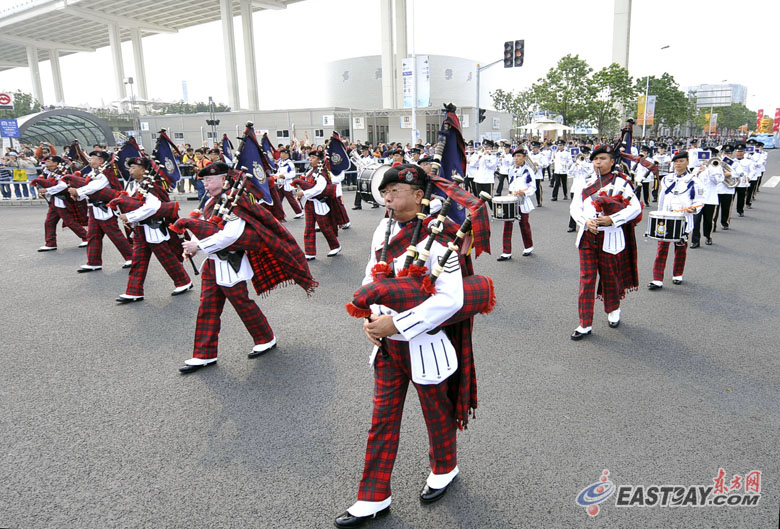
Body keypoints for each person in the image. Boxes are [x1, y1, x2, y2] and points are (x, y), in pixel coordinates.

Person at [335, 164, 477, 528]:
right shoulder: (382, 229)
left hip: (423, 344)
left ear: (418, 195)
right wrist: (370, 317)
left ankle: (444, 469)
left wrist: (397, 322)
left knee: (436, 415)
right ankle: (373, 497)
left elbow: (450, 299)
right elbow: (372, 272)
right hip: (387, 347)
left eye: (396, 191)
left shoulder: (440, 234)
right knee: (381, 421)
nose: (388, 198)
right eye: (385, 192)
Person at [178, 163, 317, 373]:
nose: (205, 183)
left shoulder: (235, 202)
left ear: (224, 180)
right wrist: (194, 248)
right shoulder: (211, 202)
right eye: (204, 180)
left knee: (242, 303)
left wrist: (199, 245)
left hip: (230, 263)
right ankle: (204, 354)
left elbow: (231, 235)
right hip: (212, 263)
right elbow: (208, 228)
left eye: (209, 180)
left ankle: (266, 338)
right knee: (207, 307)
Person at [569, 145, 641, 340]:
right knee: (587, 280)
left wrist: (613, 219)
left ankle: (613, 309)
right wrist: (585, 222)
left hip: (610, 237)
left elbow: (635, 208)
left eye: (602, 158)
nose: (598, 162)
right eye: (595, 159)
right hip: (587, 237)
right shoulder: (584, 181)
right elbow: (575, 207)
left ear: (612, 161)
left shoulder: (623, 182)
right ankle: (585, 323)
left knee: (610, 277)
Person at [116, 157, 192, 303]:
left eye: (133, 167)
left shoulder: (151, 186)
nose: (130, 170)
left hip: (153, 228)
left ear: (144, 170)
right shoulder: (137, 185)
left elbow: (152, 208)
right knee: (138, 260)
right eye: (130, 168)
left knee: (166, 258)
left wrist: (130, 216)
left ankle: (183, 282)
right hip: (140, 229)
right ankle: (134, 291)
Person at [68, 151, 133, 272]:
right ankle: (94, 262)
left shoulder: (104, 174)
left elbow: (94, 187)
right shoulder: (93, 173)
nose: (90, 160)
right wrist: (79, 195)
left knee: (115, 235)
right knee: (93, 235)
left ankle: (131, 257)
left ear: (101, 161)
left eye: (93, 158)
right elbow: (90, 190)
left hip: (104, 209)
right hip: (94, 209)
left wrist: (78, 192)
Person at [648, 151, 703, 289]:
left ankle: (677, 274)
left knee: (680, 248)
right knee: (662, 248)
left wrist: (694, 209)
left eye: (681, 161)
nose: (678, 164)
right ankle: (657, 279)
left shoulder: (694, 180)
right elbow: (662, 198)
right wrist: (659, 215)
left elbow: (700, 201)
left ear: (687, 162)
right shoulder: (666, 179)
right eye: (676, 162)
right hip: (666, 218)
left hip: (682, 219)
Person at [33, 155, 89, 251]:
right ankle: (50, 243)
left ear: (56, 163)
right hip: (54, 200)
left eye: (49, 161)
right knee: (49, 222)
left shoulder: (61, 172)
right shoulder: (48, 172)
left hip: (62, 200)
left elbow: (63, 186)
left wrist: (47, 190)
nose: (46, 162)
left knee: (69, 221)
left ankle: (87, 237)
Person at [295, 151, 341, 260]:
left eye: (313, 157)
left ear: (319, 160)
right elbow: (306, 183)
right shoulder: (310, 171)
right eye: (310, 157)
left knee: (325, 227)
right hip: (309, 203)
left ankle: (336, 246)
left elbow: (319, 188)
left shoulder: (322, 172)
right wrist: (301, 193)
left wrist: (304, 193)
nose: (310, 159)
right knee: (309, 228)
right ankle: (310, 252)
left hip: (319, 202)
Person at [497, 148, 536, 261]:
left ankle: (528, 246)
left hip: (522, 199)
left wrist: (525, 192)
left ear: (524, 158)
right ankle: (506, 252)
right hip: (511, 199)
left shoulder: (528, 170)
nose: (516, 158)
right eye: (515, 156)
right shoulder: (511, 169)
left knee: (524, 224)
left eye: (519, 156)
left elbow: (533, 187)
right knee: (507, 224)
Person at [690, 147, 721, 248]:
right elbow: (690, 180)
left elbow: (717, 181)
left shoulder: (717, 167)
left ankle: (708, 236)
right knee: (696, 221)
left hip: (710, 199)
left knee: (708, 221)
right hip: (698, 199)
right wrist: (697, 172)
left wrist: (709, 170)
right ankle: (695, 240)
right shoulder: (697, 167)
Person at [567, 146, 593, 232]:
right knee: (574, 207)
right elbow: (570, 173)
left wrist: (582, 164)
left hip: (586, 189)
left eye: (585, 154)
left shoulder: (590, 163)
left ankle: (586, 224)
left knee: (586, 207)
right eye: (582, 154)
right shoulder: (576, 164)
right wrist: (575, 165)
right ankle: (572, 226)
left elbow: (590, 172)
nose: (583, 155)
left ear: (588, 154)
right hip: (575, 188)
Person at [275, 148, 304, 219]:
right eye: (280, 153)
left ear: (286, 154)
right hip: (280, 184)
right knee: (278, 200)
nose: (281, 155)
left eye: (282, 153)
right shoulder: (280, 162)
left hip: (287, 184)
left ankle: (299, 212)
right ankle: (278, 214)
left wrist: (284, 176)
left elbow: (293, 174)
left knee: (291, 199)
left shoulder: (289, 163)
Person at [731, 143, 754, 218]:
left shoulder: (748, 161)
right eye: (738, 151)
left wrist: (749, 177)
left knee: (741, 198)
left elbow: (752, 171)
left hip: (742, 182)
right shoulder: (732, 161)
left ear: (744, 152)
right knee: (731, 199)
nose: (739, 153)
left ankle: (740, 210)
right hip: (732, 182)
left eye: (741, 151)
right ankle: (729, 211)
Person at [528, 141, 549, 207]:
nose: (534, 149)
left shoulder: (542, 155)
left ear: (538, 148)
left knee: (537, 188)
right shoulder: (529, 154)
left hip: (537, 174)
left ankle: (539, 201)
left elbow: (546, 164)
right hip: (529, 173)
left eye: (536, 148)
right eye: (533, 148)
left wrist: (538, 164)